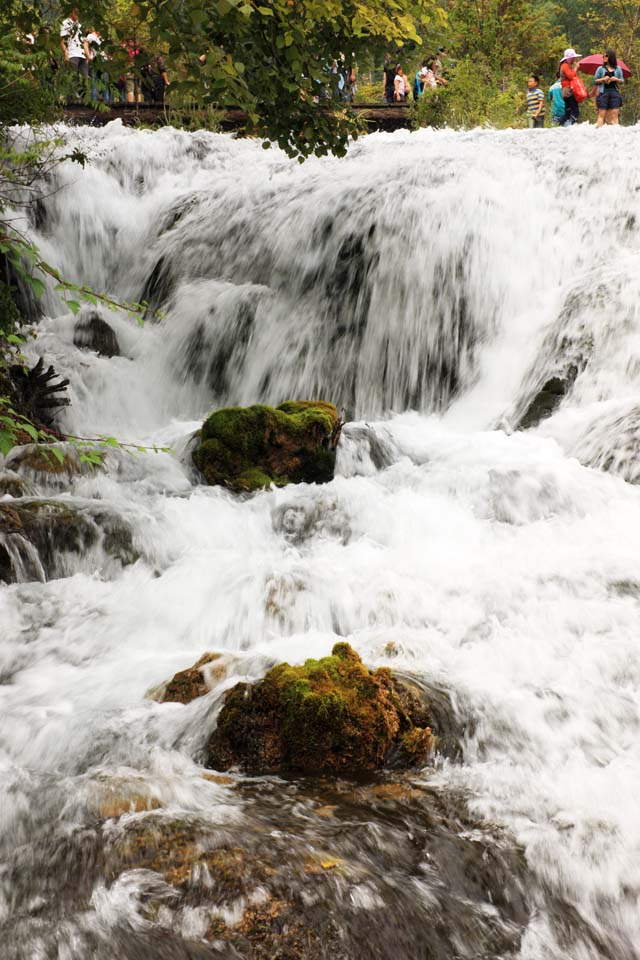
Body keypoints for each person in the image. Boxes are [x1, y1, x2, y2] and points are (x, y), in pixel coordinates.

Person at [594, 49, 624, 126]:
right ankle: (598, 131)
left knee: (615, 114)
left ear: (611, 57)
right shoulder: (600, 69)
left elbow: (622, 81)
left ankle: (615, 133)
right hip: (603, 92)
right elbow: (595, 80)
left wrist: (616, 79)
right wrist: (603, 79)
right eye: (603, 56)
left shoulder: (618, 68)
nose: (604, 57)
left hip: (614, 93)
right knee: (601, 114)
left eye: (606, 56)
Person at [59, 8, 88, 82]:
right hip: (72, 54)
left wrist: (87, 56)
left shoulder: (80, 25)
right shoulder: (66, 23)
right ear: (71, 12)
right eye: (75, 12)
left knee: (85, 81)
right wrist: (66, 53)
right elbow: (62, 41)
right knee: (73, 79)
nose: (77, 14)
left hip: (82, 55)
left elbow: (84, 41)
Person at [84, 28, 109, 102]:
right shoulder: (90, 36)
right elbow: (85, 45)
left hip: (104, 61)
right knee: (94, 82)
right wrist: (89, 56)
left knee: (105, 82)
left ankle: (106, 101)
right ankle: (94, 102)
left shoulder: (103, 37)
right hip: (95, 60)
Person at [559, 47, 582, 125]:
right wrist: (575, 68)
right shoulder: (565, 66)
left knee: (568, 111)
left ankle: (559, 123)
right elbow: (571, 76)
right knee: (574, 110)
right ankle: (573, 124)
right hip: (567, 90)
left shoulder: (566, 66)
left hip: (567, 90)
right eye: (573, 57)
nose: (574, 59)